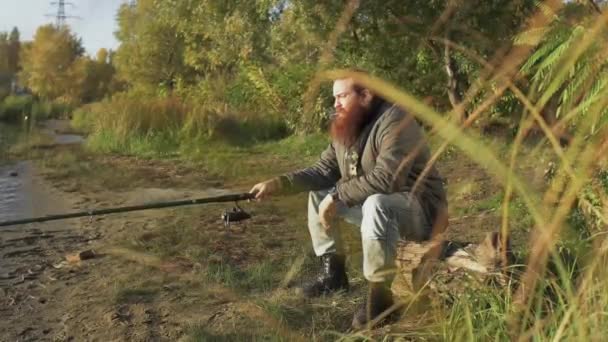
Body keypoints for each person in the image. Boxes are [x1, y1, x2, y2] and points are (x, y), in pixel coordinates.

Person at [249, 72, 448, 329]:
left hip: (422, 212)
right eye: (334, 97)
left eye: (342, 96)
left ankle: (381, 298)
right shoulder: (349, 124)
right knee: (320, 193)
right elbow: (322, 171)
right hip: (382, 210)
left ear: (365, 95)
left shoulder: (396, 120)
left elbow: (388, 179)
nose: (336, 104)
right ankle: (333, 273)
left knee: (376, 202)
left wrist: (338, 195)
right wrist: (279, 183)